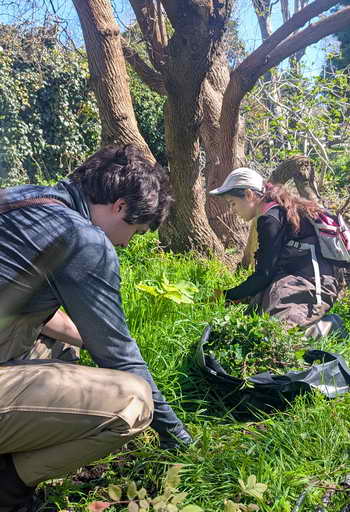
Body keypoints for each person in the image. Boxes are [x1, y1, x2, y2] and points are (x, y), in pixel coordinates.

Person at [0, 144, 191, 512]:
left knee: (65, 353)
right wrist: (178, 438)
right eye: (132, 231)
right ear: (119, 206)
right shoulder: (83, 239)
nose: (124, 243)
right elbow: (119, 357)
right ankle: (8, 486)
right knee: (132, 401)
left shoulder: (23, 202)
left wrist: (84, 336)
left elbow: (16, 303)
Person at [209, 167, 342, 333]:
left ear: (249, 195)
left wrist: (226, 295)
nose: (233, 210)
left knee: (278, 334)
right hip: (300, 281)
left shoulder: (270, 218)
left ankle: (332, 326)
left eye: (233, 203)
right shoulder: (276, 211)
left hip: (314, 284)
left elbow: (264, 274)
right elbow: (269, 272)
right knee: (255, 322)